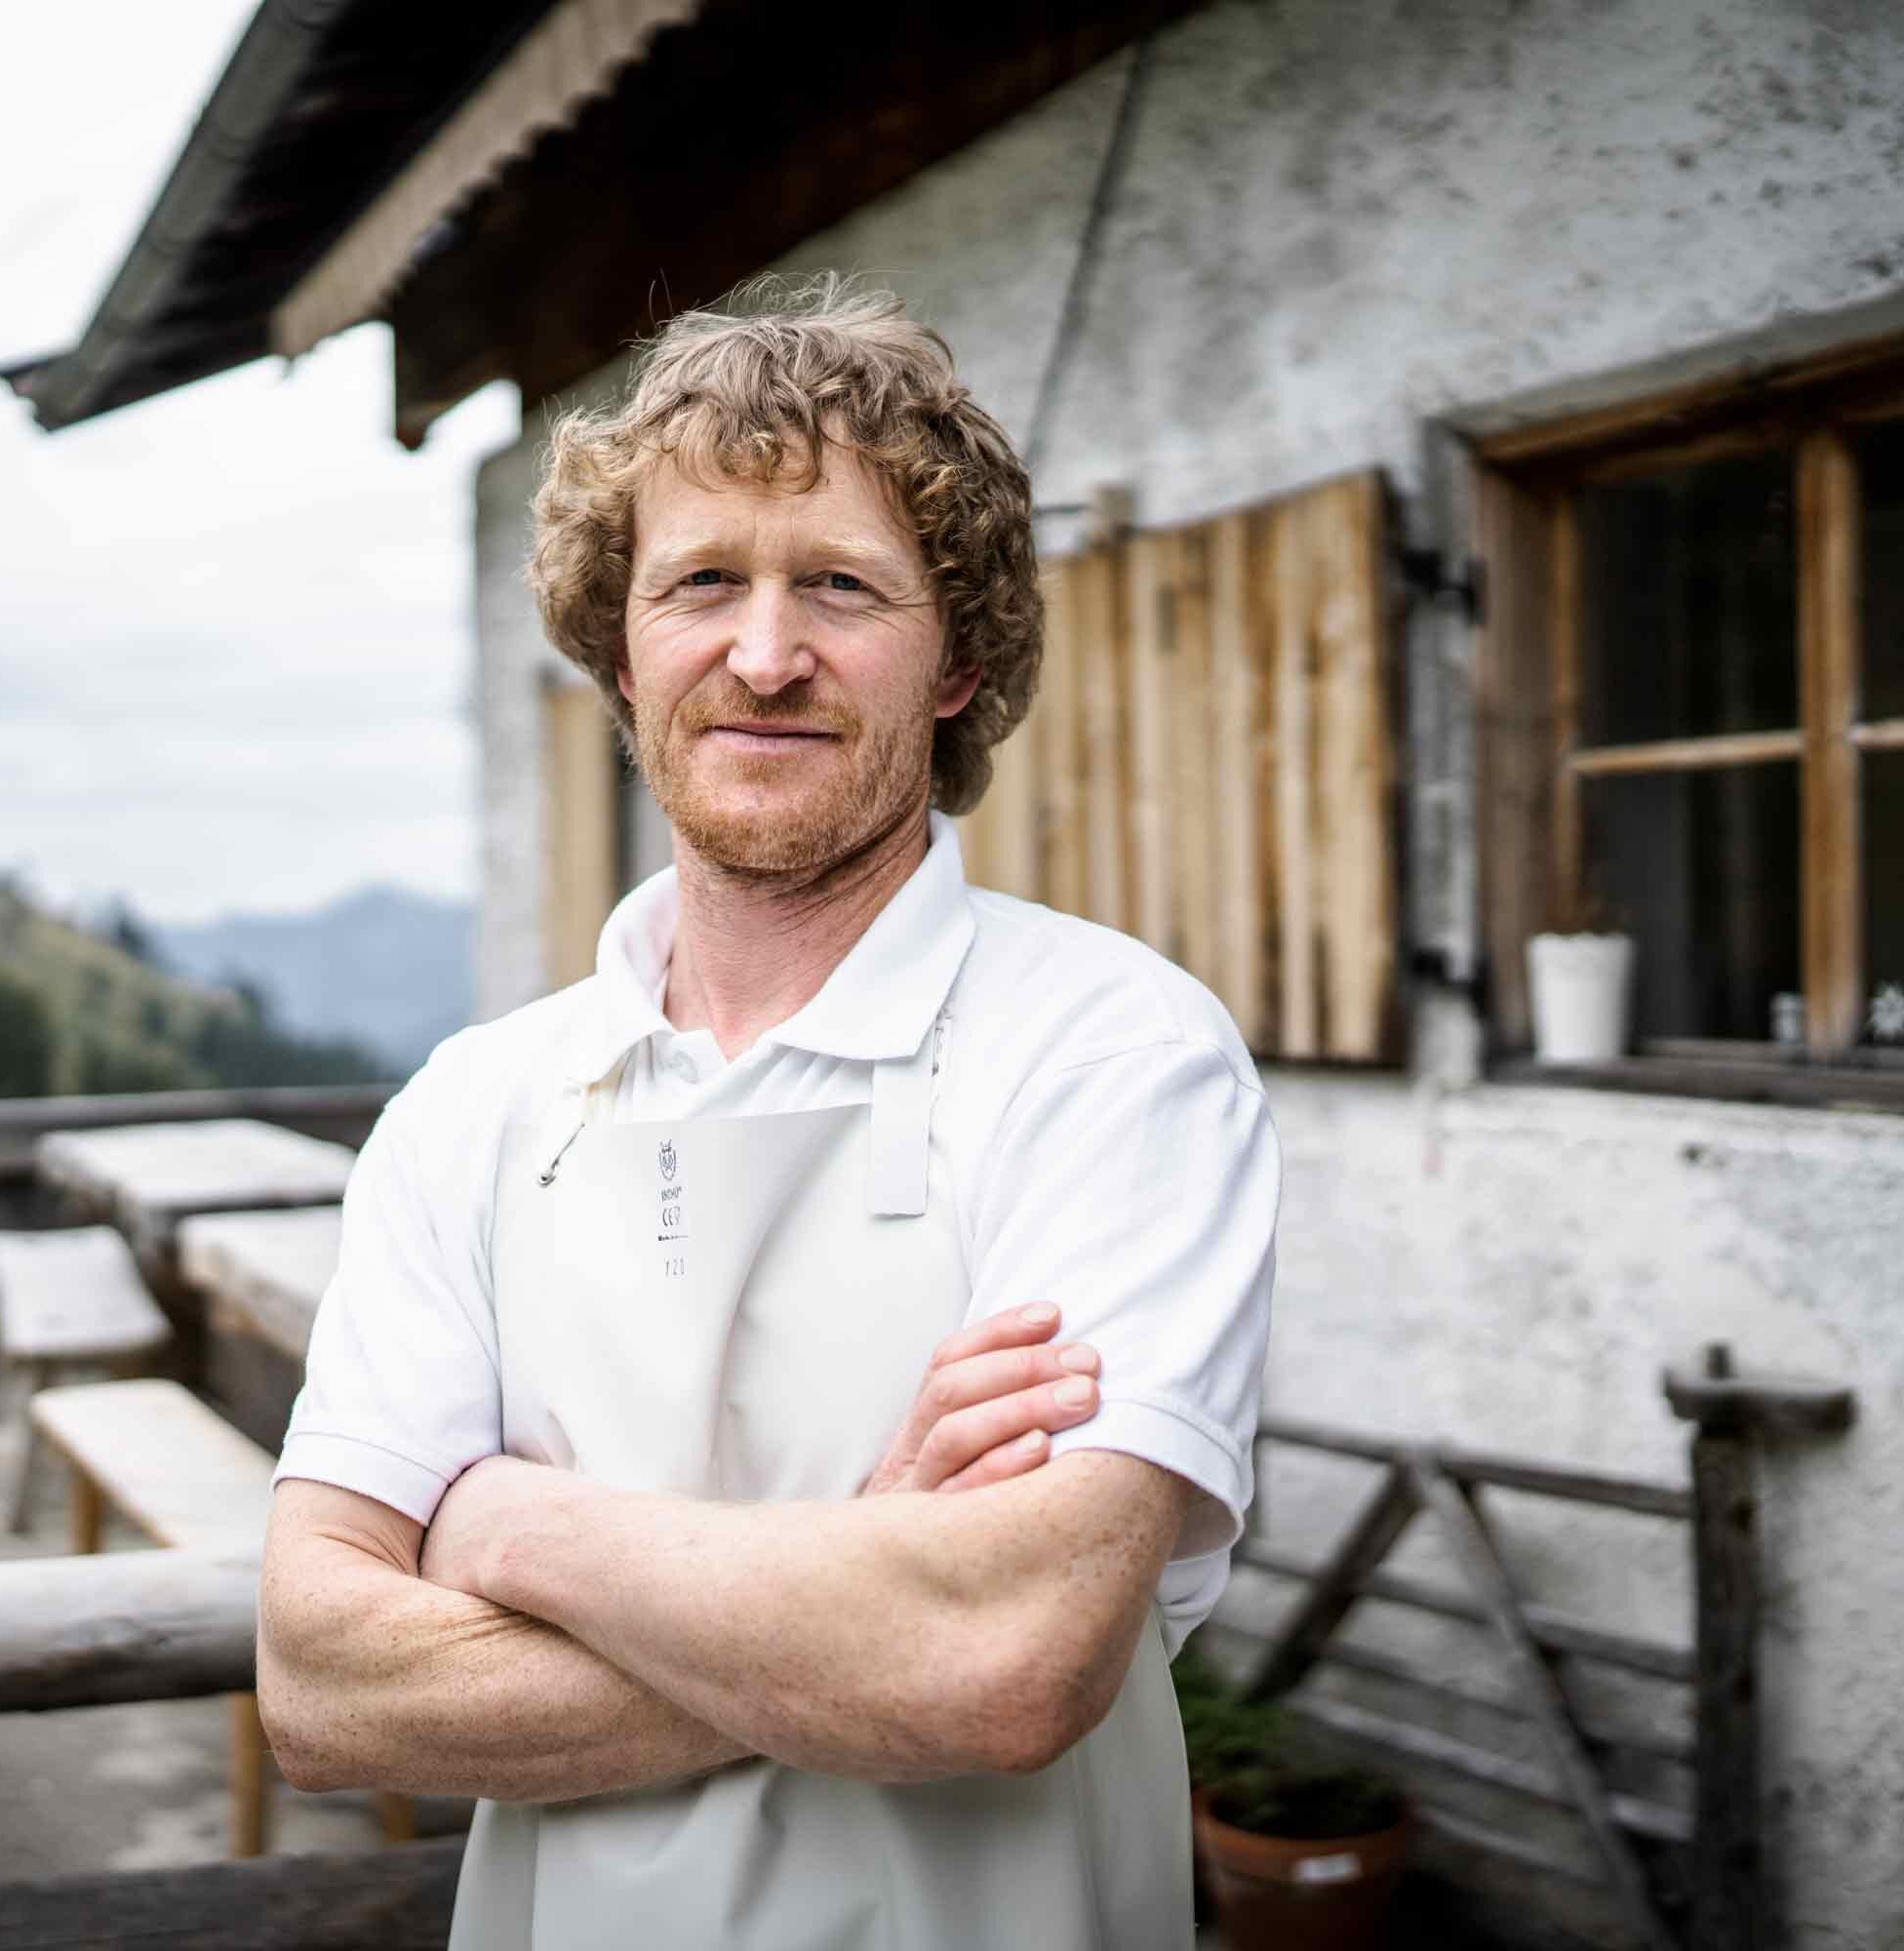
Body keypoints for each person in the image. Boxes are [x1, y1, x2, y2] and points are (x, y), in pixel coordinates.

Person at [258, 277, 1277, 1951]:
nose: (765, 653)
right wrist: (864, 1585)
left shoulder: (1115, 1060)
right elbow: (321, 1686)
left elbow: (1001, 1671)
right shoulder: (475, 1107)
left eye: (843, 588)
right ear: (621, 646)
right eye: (703, 582)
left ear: (956, 661)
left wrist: (511, 1523)